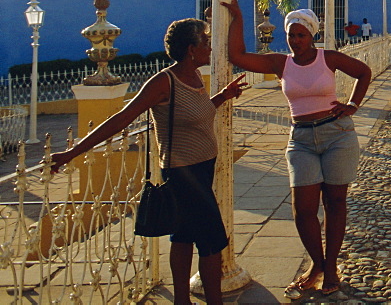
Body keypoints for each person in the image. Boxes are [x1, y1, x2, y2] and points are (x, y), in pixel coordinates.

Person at [50, 19, 247, 305]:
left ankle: (182, 300)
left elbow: (195, 114)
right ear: (191, 49)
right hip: (182, 173)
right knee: (213, 241)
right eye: (205, 41)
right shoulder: (164, 82)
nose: (209, 46)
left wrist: (222, 97)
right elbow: (121, 119)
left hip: (203, 169)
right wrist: (73, 151)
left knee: (184, 234)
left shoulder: (194, 79)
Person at [220, 0, 371, 299]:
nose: (296, 41)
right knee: (302, 210)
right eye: (291, 35)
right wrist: (238, 17)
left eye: (301, 35)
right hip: (301, 139)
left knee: (335, 202)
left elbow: (363, 72)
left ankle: (330, 268)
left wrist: (353, 104)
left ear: (311, 35)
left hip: (337, 135)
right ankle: (318, 264)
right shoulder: (281, 63)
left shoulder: (328, 58)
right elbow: (237, 57)